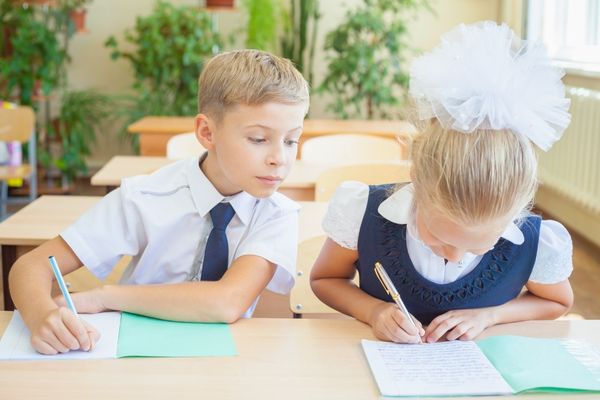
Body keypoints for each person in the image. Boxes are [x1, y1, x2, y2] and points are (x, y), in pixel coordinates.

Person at [9, 49, 309, 355]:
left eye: (291, 140)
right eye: (259, 139)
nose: (279, 159)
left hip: (223, 364)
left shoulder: (277, 214)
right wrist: (41, 315)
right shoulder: (146, 196)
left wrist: (105, 297)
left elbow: (227, 302)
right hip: (131, 356)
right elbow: (30, 266)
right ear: (207, 132)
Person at [310, 21, 574, 344]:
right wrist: (373, 312)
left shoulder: (535, 241)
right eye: (436, 235)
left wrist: (491, 316)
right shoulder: (364, 215)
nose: (454, 255)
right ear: (416, 179)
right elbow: (325, 278)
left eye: (479, 247)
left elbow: (558, 301)